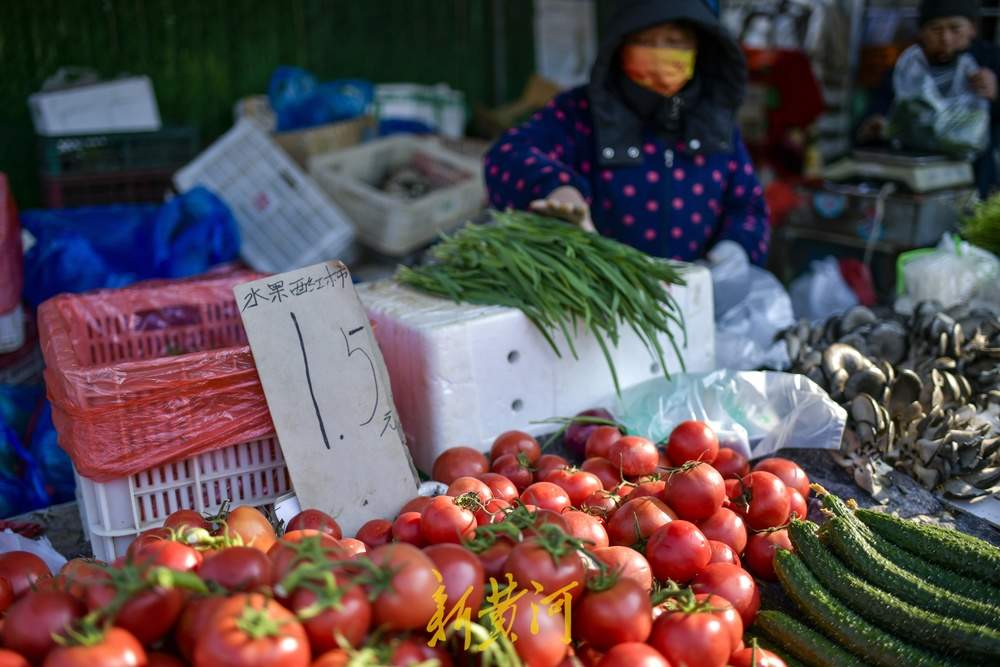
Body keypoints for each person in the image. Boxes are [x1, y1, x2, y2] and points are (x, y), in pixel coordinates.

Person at [483, 0, 771, 266]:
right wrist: (558, 189)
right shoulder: (580, 112)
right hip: (598, 304)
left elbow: (748, 207)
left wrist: (735, 250)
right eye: (643, 41)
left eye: (675, 42)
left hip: (695, 302)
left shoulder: (715, 122)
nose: (659, 53)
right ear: (619, 45)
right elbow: (506, 155)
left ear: (701, 49)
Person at [859, 0, 1000, 196]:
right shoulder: (906, 69)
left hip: (978, 177)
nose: (946, 38)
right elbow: (877, 113)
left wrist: (996, 92)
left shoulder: (991, 61)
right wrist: (875, 124)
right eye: (936, 29)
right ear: (922, 32)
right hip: (915, 180)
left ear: (972, 29)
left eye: (955, 29)